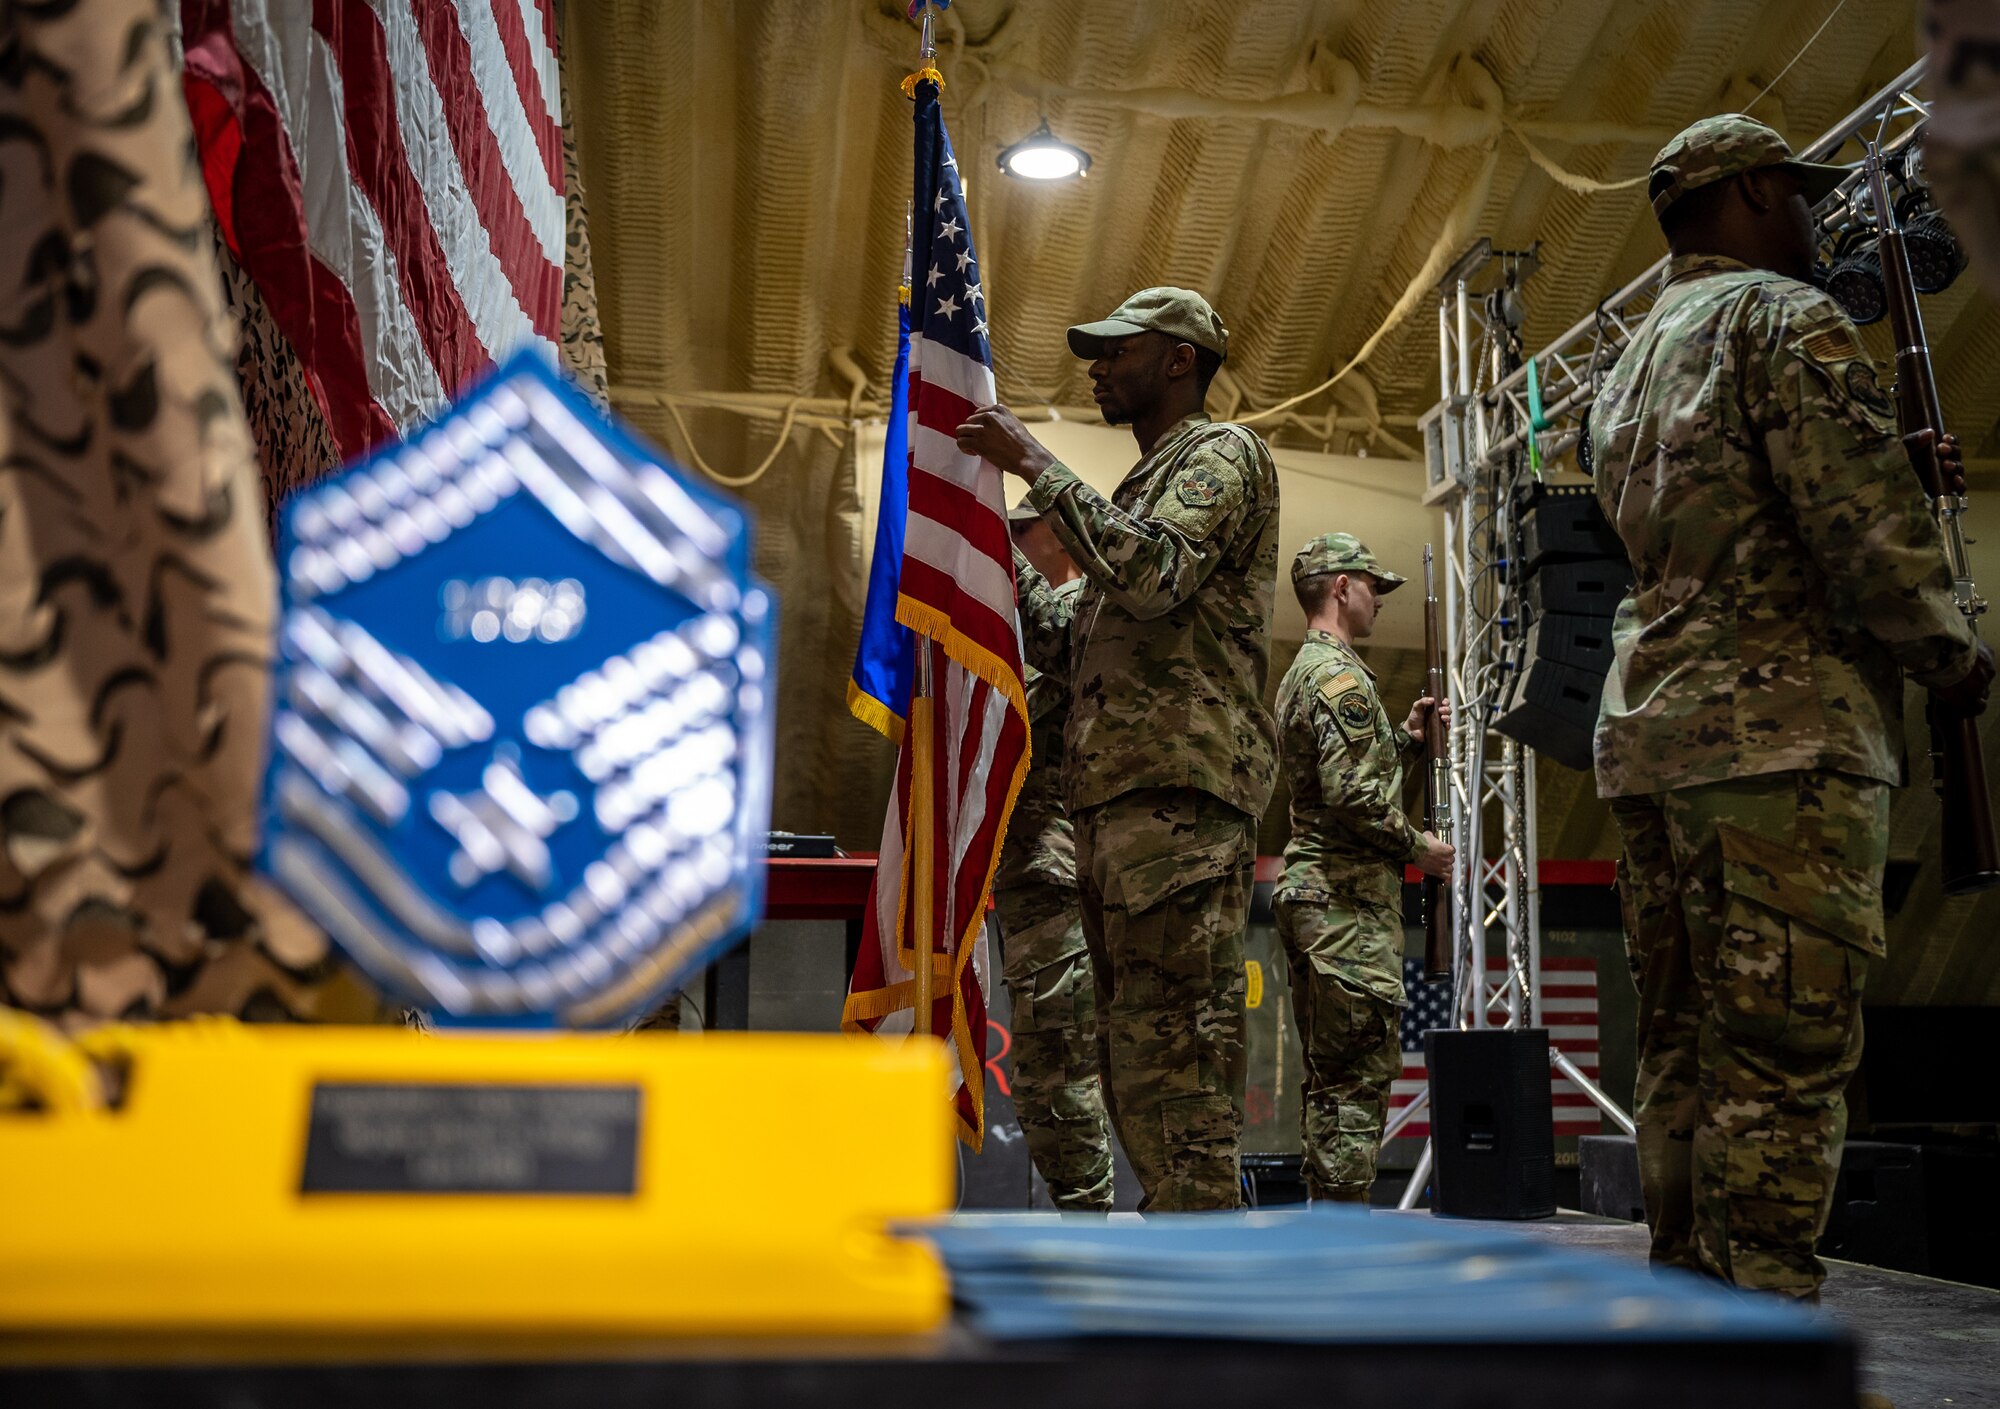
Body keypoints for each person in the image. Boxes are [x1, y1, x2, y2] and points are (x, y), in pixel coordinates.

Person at [1591, 114, 1993, 1299]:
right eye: (1803, 198)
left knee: (1682, 1038)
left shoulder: (1627, 358)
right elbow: (1859, 529)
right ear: (1758, 193)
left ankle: (1687, 1301)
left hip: (1655, 734)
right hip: (1779, 738)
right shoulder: (1779, 317)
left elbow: (1719, 510)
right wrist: (1949, 654)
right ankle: (1761, 1310)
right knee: (1782, 1047)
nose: (1818, 223)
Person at [955, 287, 1279, 1212]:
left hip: (1176, 803)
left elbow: (1153, 572)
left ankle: (1203, 1278)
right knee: (1140, 1059)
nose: (1097, 367)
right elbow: (1065, 633)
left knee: (1177, 1063)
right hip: (1121, 810)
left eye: (1117, 351)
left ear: (1180, 360)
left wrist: (1034, 462)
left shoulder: (1224, 454)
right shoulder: (1145, 485)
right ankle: (1186, 1264)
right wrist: (986, 537)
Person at [1273, 535, 1453, 1203]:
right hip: (1344, 907)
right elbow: (1353, 801)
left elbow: (1343, 786)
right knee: (1354, 1086)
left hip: (1323, 900)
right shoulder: (1340, 678)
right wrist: (1419, 849)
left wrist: (1402, 743)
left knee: (1332, 1083)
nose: (1379, 600)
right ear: (1341, 587)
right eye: (1373, 585)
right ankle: (1344, 1230)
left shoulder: (1310, 671)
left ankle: (1329, 1225)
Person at [992, 504, 1113, 1212]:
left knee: (1058, 1069)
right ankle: (1082, 1216)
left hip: (1061, 877)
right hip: (1036, 878)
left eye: (1017, 528)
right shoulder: (1032, 634)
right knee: (1047, 1070)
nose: (1004, 539)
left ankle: (1088, 1222)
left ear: (1059, 534)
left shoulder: (1081, 618)